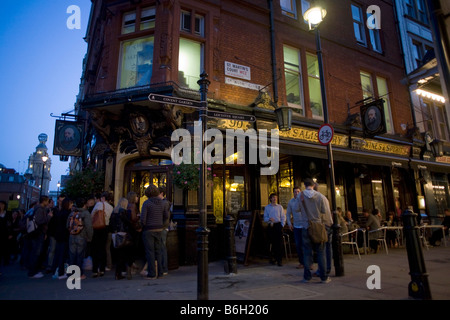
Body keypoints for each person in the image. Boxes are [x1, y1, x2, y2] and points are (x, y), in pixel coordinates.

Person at [298, 178, 333, 284]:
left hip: (306, 226)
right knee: (321, 252)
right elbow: (324, 211)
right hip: (318, 226)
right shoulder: (320, 196)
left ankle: (307, 277)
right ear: (313, 185)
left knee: (307, 253)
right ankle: (323, 277)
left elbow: (297, 209)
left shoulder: (301, 196)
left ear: (304, 185)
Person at [140, 184, 170, 279]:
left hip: (149, 230)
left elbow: (143, 219)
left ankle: (152, 273)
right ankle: (160, 272)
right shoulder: (162, 203)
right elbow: (166, 216)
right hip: (159, 229)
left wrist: (142, 225)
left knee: (150, 252)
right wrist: (161, 224)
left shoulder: (146, 203)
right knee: (158, 251)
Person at [67, 197, 93, 280]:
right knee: (80, 256)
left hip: (72, 236)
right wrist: (89, 237)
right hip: (81, 236)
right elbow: (89, 227)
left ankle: (71, 273)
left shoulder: (72, 213)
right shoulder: (86, 213)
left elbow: (67, 225)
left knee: (72, 256)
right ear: (85, 204)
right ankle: (78, 274)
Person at [27, 196, 52, 278]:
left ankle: (33, 270)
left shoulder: (37, 208)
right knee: (36, 252)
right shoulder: (40, 209)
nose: (48, 203)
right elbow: (39, 221)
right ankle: (33, 272)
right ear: (44, 201)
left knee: (35, 251)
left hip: (37, 232)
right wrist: (49, 217)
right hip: (38, 232)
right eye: (47, 201)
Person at [110, 197, 134, 280]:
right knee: (124, 254)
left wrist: (115, 231)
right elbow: (128, 222)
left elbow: (111, 223)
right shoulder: (123, 212)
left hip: (116, 234)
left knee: (119, 254)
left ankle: (118, 273)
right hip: (123, 234)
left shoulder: (114, 211)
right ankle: (124, 271)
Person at [90, 192, 113, 277]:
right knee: (103, 248)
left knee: (95, 248)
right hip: (106, 228)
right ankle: (102, 269)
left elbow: (92, 215)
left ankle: (95, 269)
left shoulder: (99, 204)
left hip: (97, 227)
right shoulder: (111, 207)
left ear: (103, 197)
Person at [51, 198, 72, 279]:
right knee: (63, 254)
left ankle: (55, 270)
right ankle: (61, 272)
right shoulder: (67, 214)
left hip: (58, 235)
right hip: (64, 235)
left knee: (58, 253)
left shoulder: (59, 213)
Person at [263, 193, 286, 267]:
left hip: (278, 225)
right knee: (272, 242)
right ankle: (273, 258)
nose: (274, 199)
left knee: (279, 243)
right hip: (271, 225)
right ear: (270, 199)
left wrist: (282, 225)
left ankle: (279, 260)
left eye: (276, 198)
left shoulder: (280, 207)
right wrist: (269, 219)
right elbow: (265, 218)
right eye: (273, 198)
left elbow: (283, 217)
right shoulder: (267, 207)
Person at [286, 186, 304, 269]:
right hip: (296, 226)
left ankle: (309, 263)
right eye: (295, 192)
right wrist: (289, 223)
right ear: (293, 193)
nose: (296, 193)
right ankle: (301, 262)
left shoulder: (303, 201)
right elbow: (288, 213)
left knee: (306, 244)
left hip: (305, 225)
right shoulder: (291, 202)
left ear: (300, 192)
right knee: (298, 245)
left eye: (298, 191)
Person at [159, 186, 171, 276]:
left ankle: (164, 268)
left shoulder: (164, 203)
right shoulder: (163, 203)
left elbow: (166, 216)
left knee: (162, 248)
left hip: (162, 228)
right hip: (161, 227)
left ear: (161, 194)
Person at [0, 201, 11, 269]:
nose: (1, 206)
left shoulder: (7, 213)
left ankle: (6, 260)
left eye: (2, 205)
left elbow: (9, 224)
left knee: (5, 247)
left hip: (5, 232)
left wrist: (10, 233)